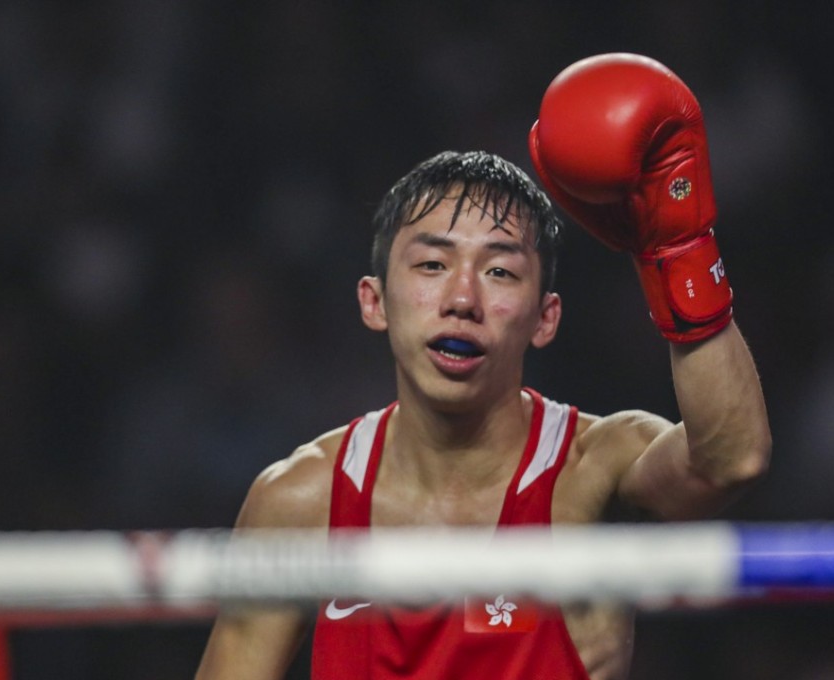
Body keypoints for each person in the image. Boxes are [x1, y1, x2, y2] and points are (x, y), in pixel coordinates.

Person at [195, 53, 771, 680]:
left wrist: (678, 252)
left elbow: (731, 458)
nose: (463, 299)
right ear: (374, 301)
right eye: (432, 265)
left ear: (545, 318)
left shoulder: (591, 469)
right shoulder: (300, 500)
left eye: (499, 271)